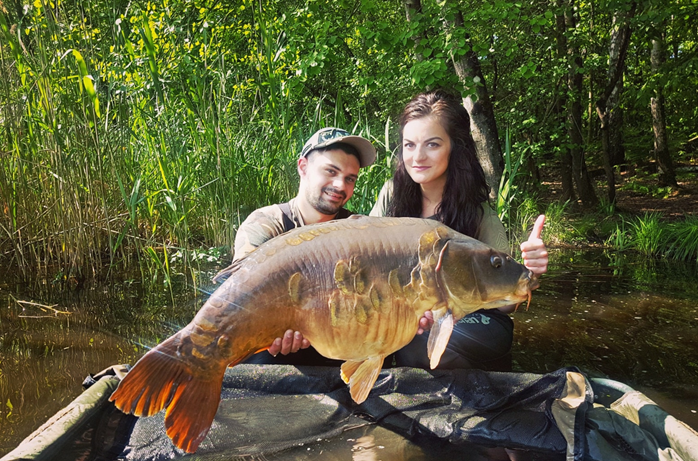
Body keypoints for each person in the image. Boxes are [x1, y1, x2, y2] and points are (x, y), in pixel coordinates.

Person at [370, 89, 548, 371]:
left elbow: (505, 306)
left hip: (469, 320)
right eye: (409, 145)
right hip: (406, 315)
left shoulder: (478, 213)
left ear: (456, 147)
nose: (418, 156)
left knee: (424, 343)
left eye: (432, 144)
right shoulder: (391, 195)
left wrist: (529, 271)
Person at [224, 127, 377, 364]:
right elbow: (241, 297)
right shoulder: (267, 223)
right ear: (303, 167)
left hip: (336, 346)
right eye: (331, 171)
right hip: (272, 347)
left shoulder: (358, 231)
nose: (340, 185)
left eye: (350, 179)